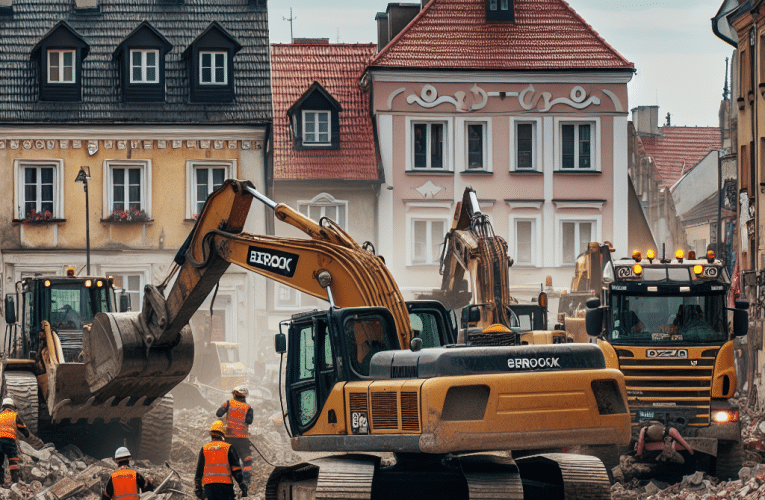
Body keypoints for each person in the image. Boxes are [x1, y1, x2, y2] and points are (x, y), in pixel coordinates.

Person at [194, 421, 247, 500]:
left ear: (211, 434)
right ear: (223, 434)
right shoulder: (229, 448)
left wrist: (198, 489)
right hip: (225, 488)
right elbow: (236, 471)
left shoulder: (204, 449)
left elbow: (199, 472)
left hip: (209, 488)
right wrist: (242, 485)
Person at [215, 386, 253, 486]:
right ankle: (246, 481)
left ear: (234, 394)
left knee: (226, 459)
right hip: (243, 438)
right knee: (246, 459)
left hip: (229, 436)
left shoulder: (228, 403)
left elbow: (218, 413)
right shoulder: (248, 408)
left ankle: (224, 480)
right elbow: (249, 421)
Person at [0, 398, 28, 486]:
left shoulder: (0, 415)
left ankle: (0, 483)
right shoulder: (14, 415)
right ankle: (15, 482)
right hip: (9, 441)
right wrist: (26, 434)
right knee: (12, 460)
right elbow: (21, 427)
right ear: (12, 406)